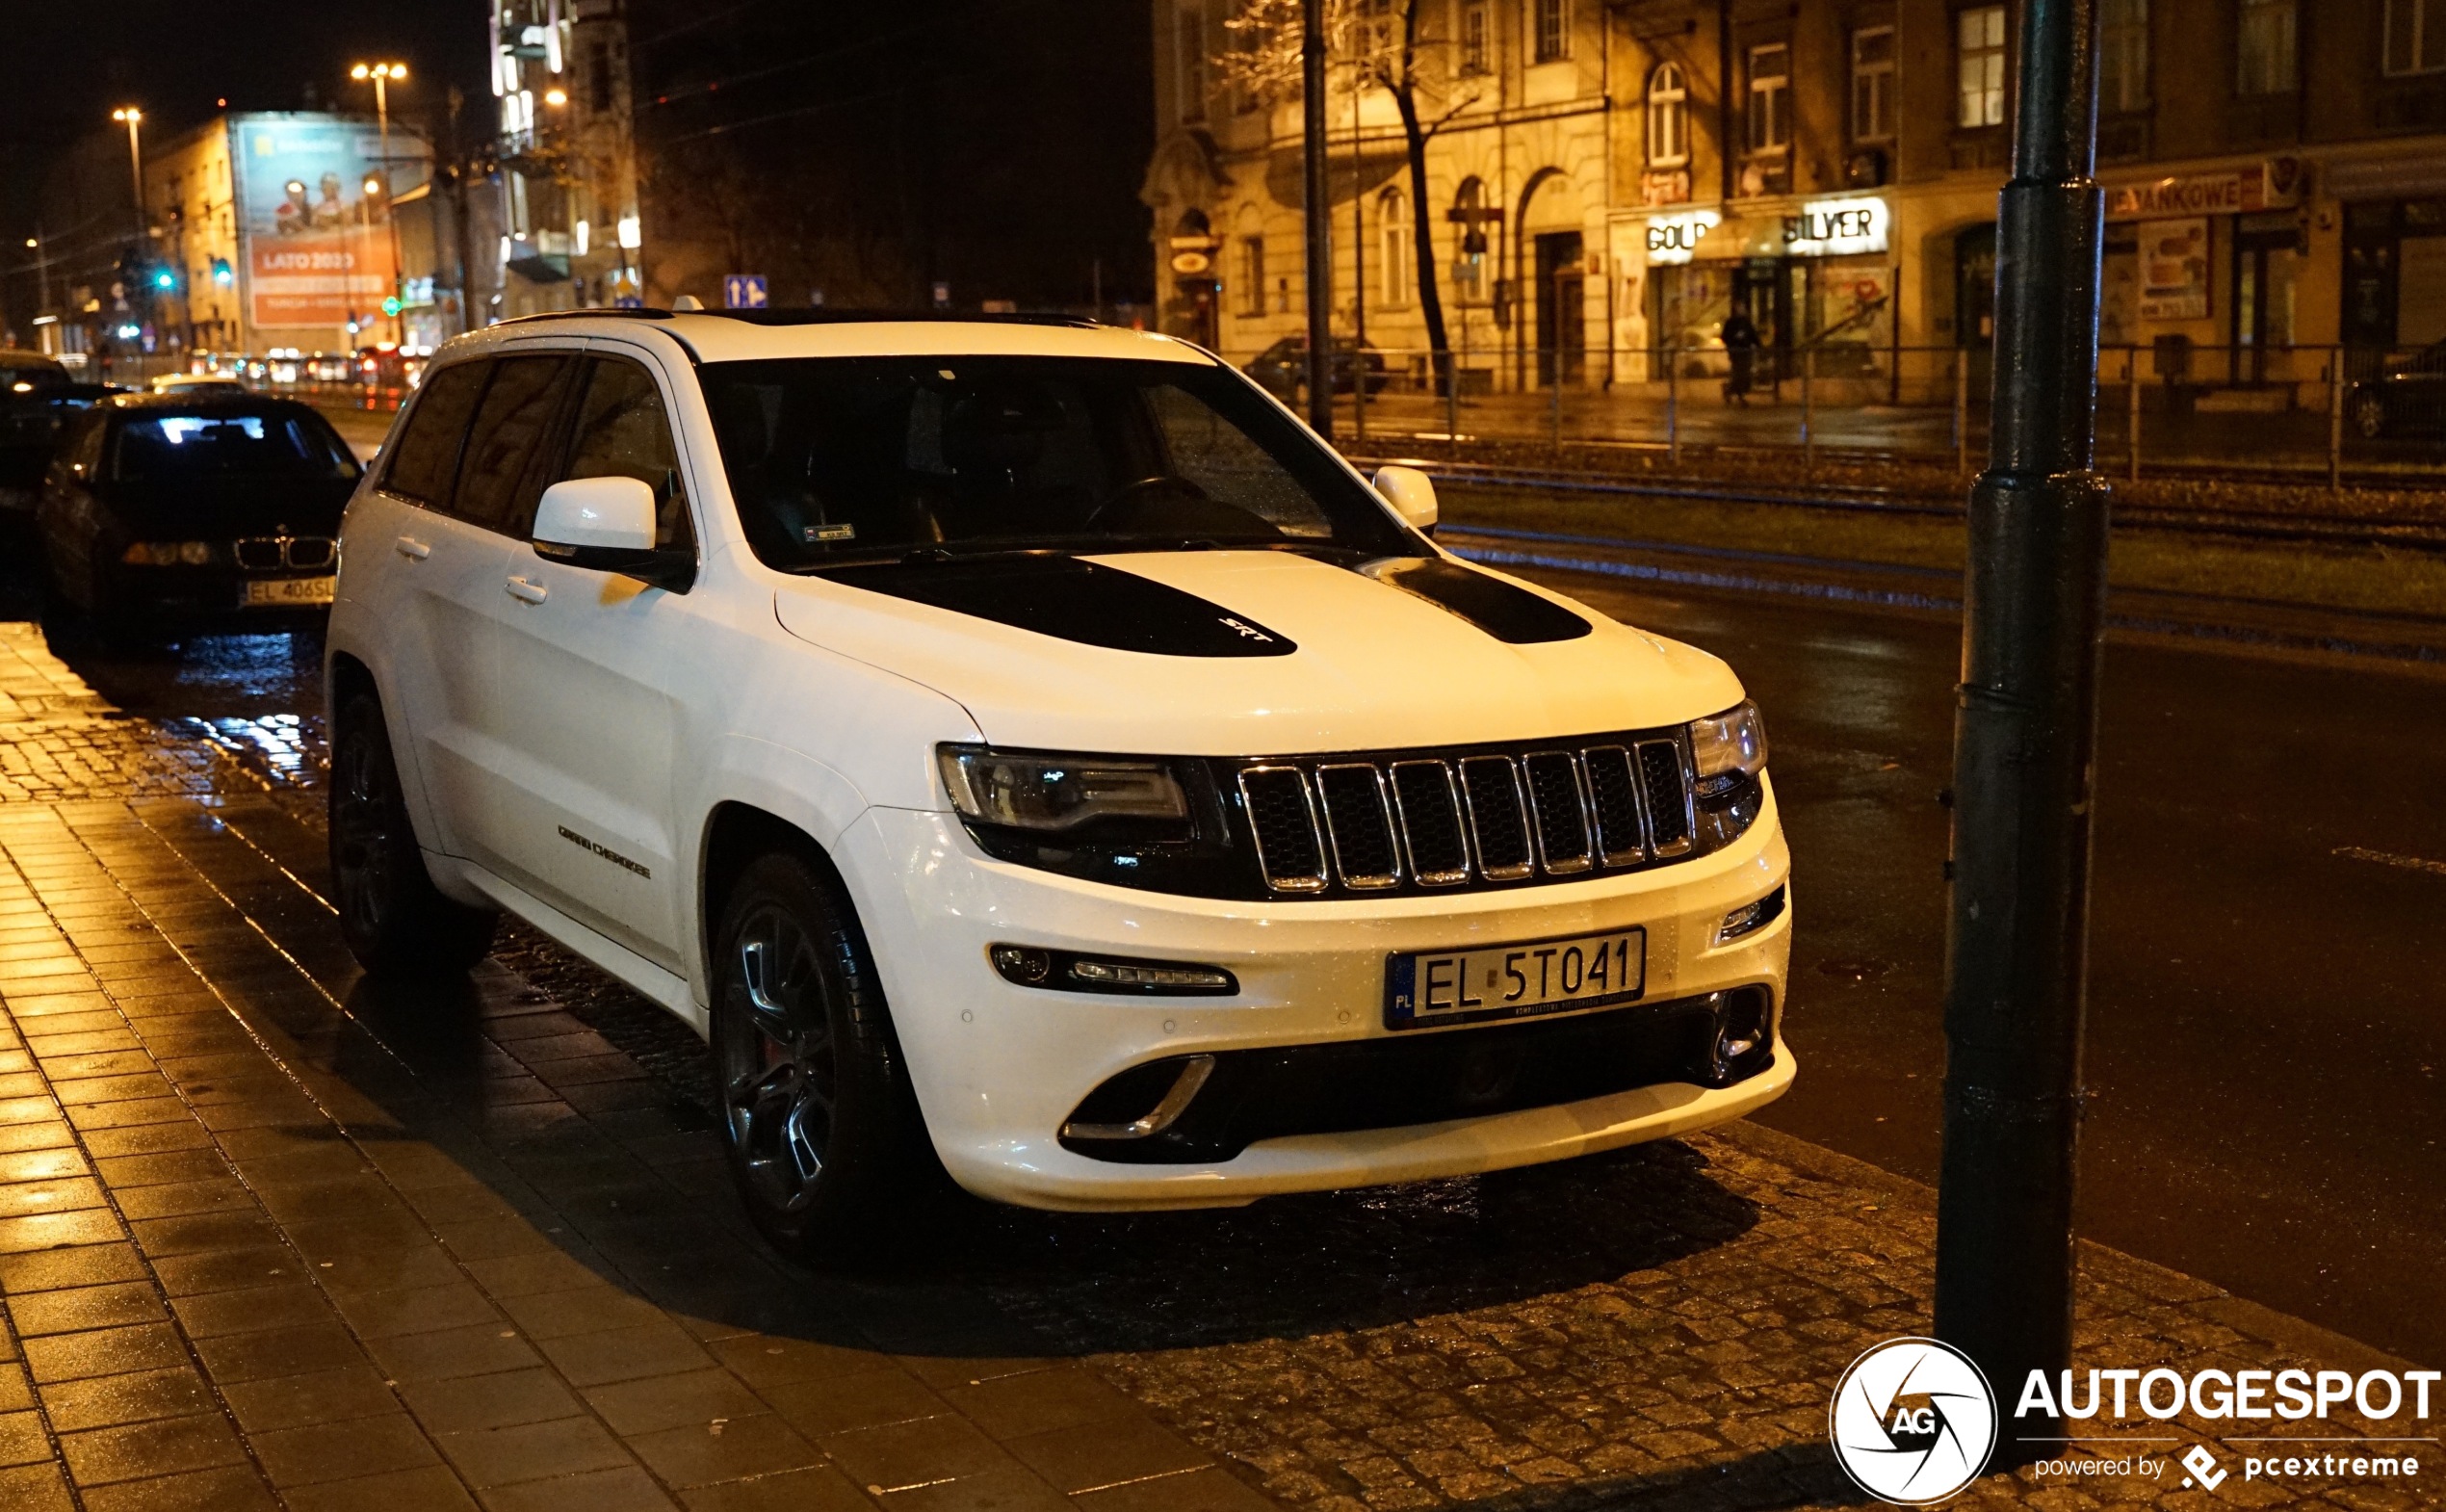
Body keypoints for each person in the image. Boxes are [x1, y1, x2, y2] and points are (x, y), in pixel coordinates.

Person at [1721, 306, 1760, 405]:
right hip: (1736, 352)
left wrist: (1758, 345)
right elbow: (1725, 336)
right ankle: (1736, 392)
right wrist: (1733, 342)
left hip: (1745, 351)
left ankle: (1734, 391)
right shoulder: (1731, 323)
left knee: (1744, 373)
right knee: (1738, 373)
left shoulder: (1746, 323)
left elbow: (1753, 335)